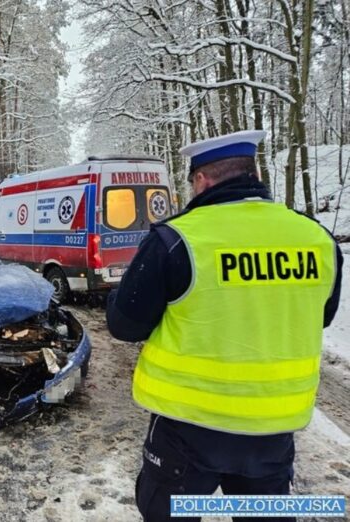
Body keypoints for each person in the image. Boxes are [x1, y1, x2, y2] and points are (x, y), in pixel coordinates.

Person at [105, 130, 344, 521]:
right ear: (252, 173)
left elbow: (125, 324)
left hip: (188, 430)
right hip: (273, 432)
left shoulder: (178, 238)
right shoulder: (317, 239)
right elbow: (320, 315)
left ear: (201, 179)